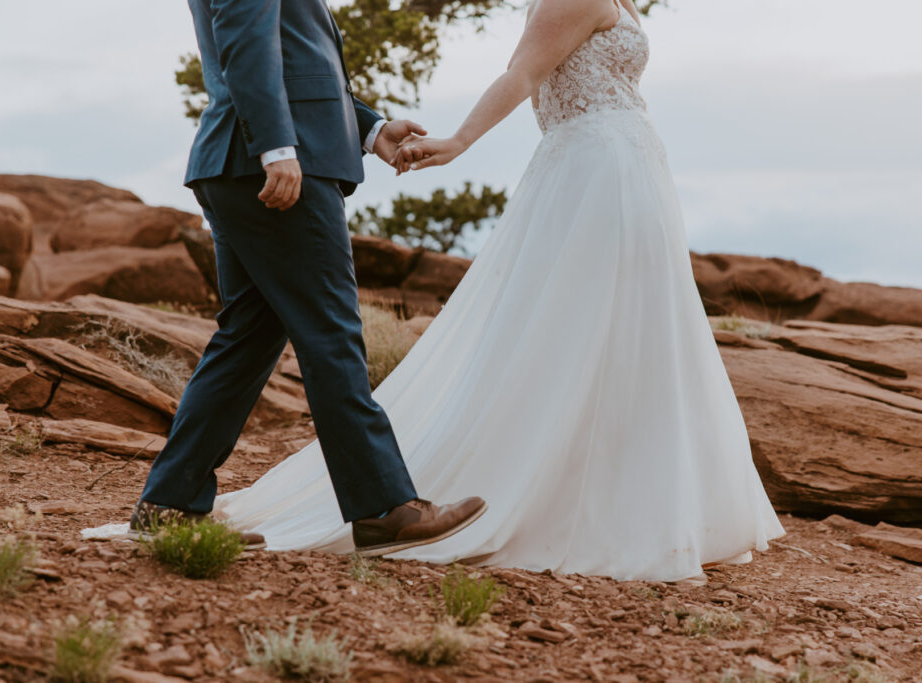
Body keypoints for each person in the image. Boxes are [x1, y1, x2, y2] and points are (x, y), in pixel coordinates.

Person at [206, 0, 785, 581]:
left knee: (639, 332)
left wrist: (373, 128)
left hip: (632, 164)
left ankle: (648, 500)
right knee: (574, 330)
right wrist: (458, 142)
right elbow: (522, 75)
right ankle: (441, 505)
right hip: (596, 169)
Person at [98, 0, 489, 556]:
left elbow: (295, 58)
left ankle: (171, 503)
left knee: (248, 338)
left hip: (242, 161)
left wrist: (371, 127)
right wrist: (276, 148)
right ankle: (383, 508)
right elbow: (244, 43)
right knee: (331, 330)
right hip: (270, 161)